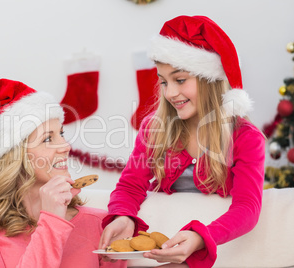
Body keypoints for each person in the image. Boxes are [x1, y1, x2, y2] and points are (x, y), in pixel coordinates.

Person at [99, 15, 265, 268]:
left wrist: (200, 237)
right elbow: (130, 186)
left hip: (221, 253)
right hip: (160, 250)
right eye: (163, 81)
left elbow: (248, 207)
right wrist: (123, 216)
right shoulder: (154, 129)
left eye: (179, 80)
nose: (169, 93)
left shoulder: (245, 138)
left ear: (210, 79)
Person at [0, 78, 126, 268]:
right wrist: (53, 221)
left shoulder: (101, 224)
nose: (66, 147)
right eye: (48, 139)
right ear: (14, 157)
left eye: (61, 134)